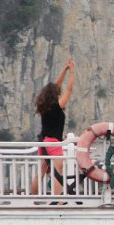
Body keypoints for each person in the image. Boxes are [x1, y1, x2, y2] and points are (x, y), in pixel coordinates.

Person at [31, 59, 75, 195]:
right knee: (57, 172)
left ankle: (33, 200)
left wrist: (64, 69)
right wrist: (72, 72)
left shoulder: (44, 105)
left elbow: (56, 86)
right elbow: (69, 89)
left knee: (41, 172)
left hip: (43, 142)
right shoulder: (57, 106)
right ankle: (58, 201)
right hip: (54, 143)